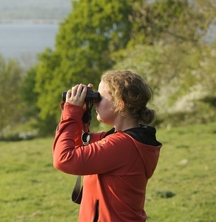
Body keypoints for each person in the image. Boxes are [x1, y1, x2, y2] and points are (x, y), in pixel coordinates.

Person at [53, 70, 162, 222]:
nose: (95, 101)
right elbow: (76, 144)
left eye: (100, 97)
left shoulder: (123, 146)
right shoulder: (122, 141)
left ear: (120, 104)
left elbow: (63, 159)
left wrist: (71, 112)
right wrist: (79, 114)